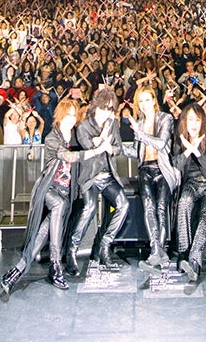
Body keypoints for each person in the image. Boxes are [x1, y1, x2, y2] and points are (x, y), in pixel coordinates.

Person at [2, 98, 108, 296]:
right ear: (60, 116)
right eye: (67, 115)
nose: (71, 119)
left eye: (73, 115)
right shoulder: (52, 138)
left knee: (44, 231)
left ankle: (16, 272)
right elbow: (68, 156)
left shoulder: (76, 136)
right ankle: (56, 265)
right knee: (58, 205)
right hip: (49, 189)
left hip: (67, 193)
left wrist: (99, 139)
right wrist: (95, 150)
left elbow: (88, 141)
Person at [66, 86, 128, 273]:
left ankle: (103, 246)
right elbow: (87, 148)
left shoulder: (113, 124)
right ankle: (71, 251)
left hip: (108, 175)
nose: (106, 112)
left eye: (110, 109)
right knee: (90, 208)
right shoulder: (84, 126)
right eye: (103, 107)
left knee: (123, 205)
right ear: (96, 106)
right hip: (90, 177)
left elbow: (118, 148)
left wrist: (110, 148)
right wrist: (102, 140)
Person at [124, 86, 179, 269]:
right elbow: (136, 151)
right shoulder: (139, 123)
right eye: (141, 101)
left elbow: (161, 143)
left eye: (147, 100)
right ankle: (157, 252)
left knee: (161, 209)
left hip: (162, 169)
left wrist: (140, 134)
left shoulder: (165, 118)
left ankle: (158, 251)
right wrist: (116, 147)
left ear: (154, 100)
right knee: (149, 208)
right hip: (145, 169)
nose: (144, 104)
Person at [172, 101, 206, 283]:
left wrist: (196, 150)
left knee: (205, 216)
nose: (194, 124)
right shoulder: (179, 139)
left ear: (202, 122)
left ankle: (195, 261)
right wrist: (187, 150)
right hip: (190, 184)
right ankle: (183, 254)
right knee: (183, 204)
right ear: (184, 121)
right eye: (190, 119)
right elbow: (176, 164)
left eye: (197, 120)